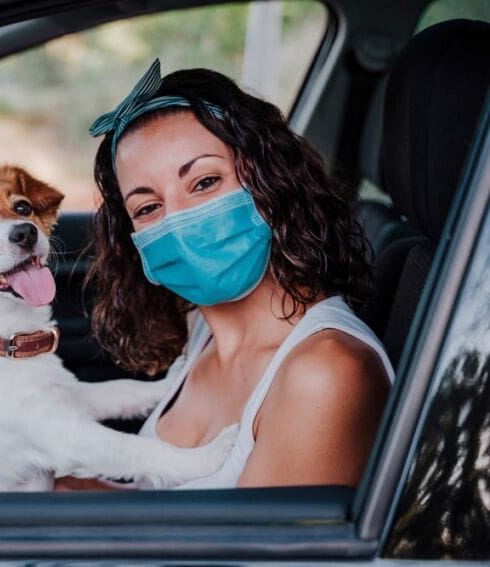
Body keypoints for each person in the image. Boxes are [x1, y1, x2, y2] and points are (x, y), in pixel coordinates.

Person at [57, 60, 393, 490]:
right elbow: (166, 515)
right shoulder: (202, 331)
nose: (177, 221)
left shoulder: (324, 374)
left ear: (269, 185)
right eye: (147, 208)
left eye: (204, 182)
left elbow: (247, 553)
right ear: (134, 241)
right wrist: (57, 486)